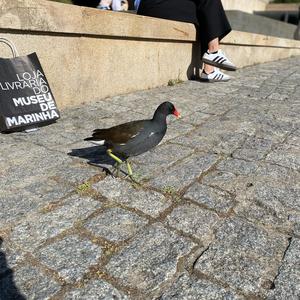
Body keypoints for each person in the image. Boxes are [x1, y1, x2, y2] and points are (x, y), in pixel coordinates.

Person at [137, 0, 236, 82]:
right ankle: (213, 54)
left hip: (162, 5)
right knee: (202, 9)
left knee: (202, 9)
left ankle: (210, 69)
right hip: (154, 4)